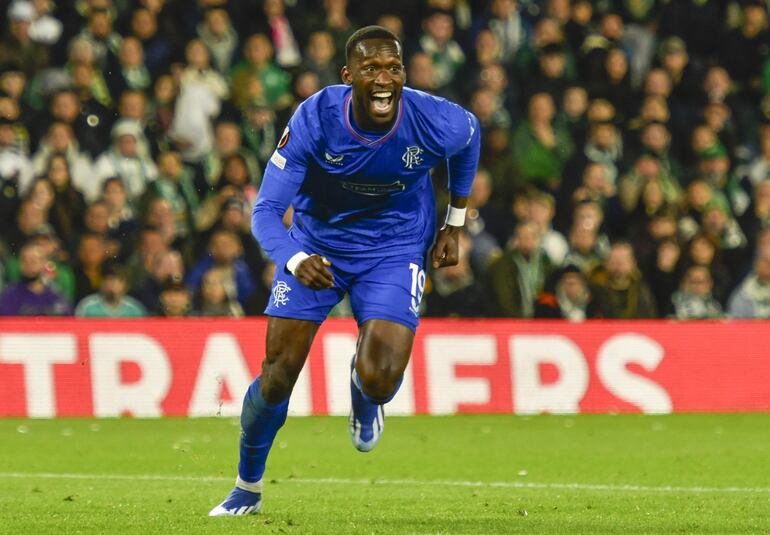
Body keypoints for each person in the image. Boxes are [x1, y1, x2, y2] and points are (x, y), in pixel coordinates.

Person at [209, 26, 480, 516]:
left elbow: (470, 136)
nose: (383, 79)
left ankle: (362, 391)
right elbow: (266, 211)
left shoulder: (433, 118)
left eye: (393, 68)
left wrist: (454, 223)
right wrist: (295, 257)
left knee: (381, 379)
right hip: (318, 248)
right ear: (347, 75)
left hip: (395, 247)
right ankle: (246, 487)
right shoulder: (315, 119)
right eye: (371, 69)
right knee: (277, 376)